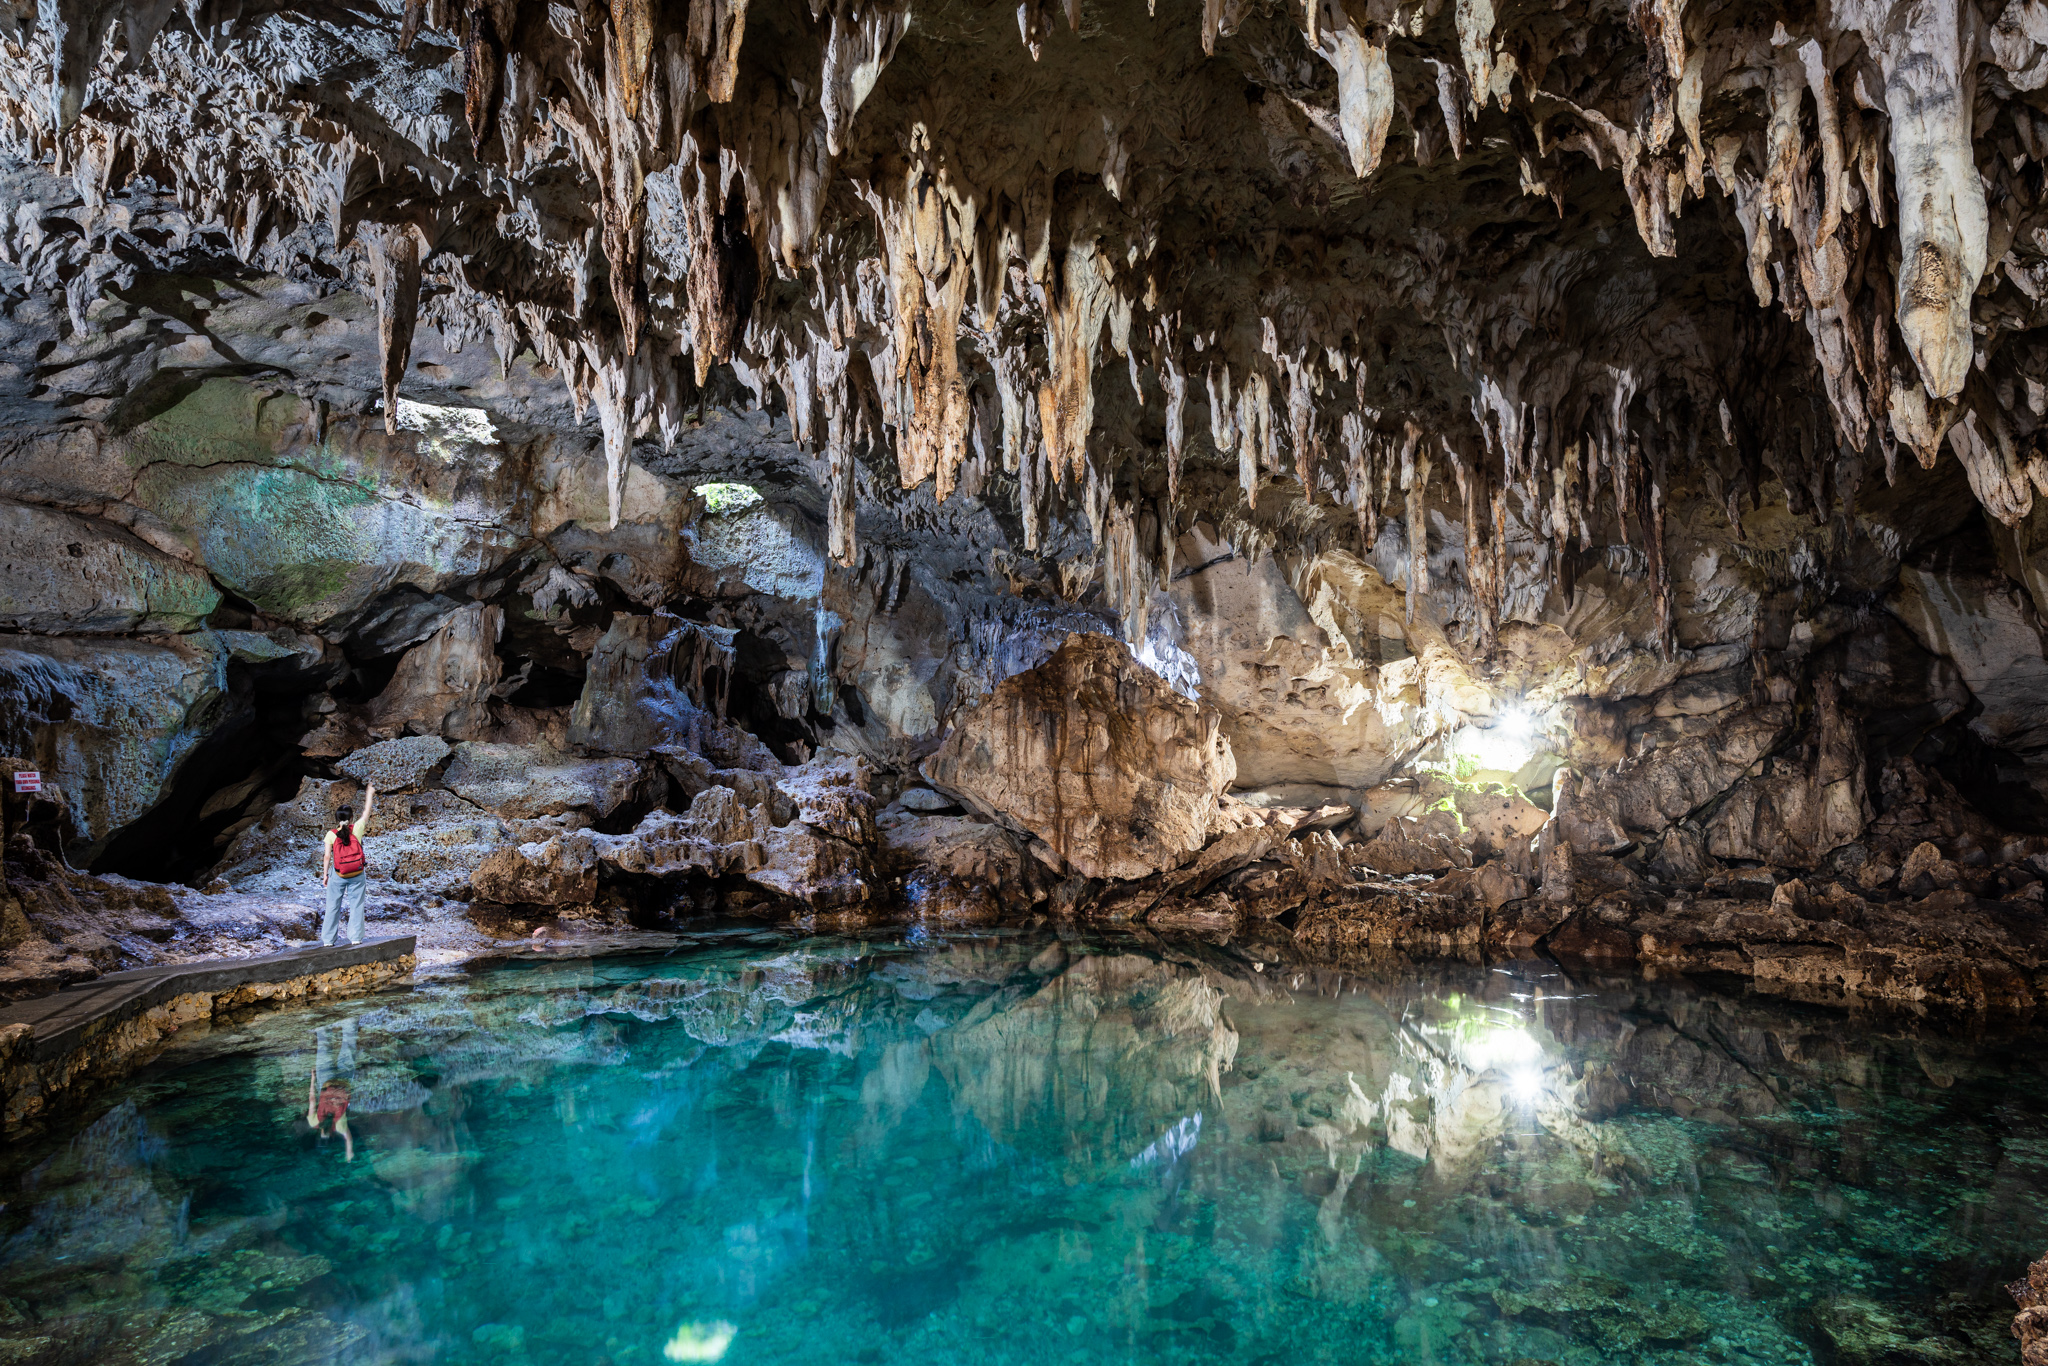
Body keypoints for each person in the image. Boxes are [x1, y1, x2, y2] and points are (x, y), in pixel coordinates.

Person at [320, 783, 376, 947]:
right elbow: (366, 812)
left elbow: (327, 856)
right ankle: (355, 938)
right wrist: (369, 793)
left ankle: (328, 941)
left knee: (332, 906)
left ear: (336, 819)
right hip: (357, 873)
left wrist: (325, 875)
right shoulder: (357, 828)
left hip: (338, 874)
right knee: (357, 905)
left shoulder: (331, 834)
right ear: (351, 818)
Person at [305, 1017, 357, 1161]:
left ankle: (349, 1018)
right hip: (326, 1080)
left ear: (333, 1136)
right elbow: (311, 1100)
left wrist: (349, 1153)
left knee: (349, 1043)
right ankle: (323, 1014)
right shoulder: (313, 1122)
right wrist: (313, 1079)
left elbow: (349, 1139)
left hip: (344, 1082)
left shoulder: (340, 1127)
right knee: (323, 1043)